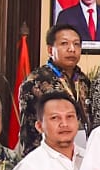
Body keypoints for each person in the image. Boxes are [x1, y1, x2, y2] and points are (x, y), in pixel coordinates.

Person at [17, 24, 91, 154]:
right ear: (50, 50)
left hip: (79, 152)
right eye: (64, 44)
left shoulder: (83, 80)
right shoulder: (36, 81)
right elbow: (29, 129)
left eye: (76, 44)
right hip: (47, 155)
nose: (72, 49)